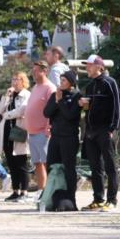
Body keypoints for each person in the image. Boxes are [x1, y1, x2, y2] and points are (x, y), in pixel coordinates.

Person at [79, 54, 120, 211]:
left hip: (105, 130)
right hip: (91, 131)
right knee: (95, 167)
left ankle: (112, 200)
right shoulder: (90, 86)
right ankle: (98, 199)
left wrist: (112, 128)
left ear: (99, 67)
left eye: (89, 65)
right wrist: (83, 105)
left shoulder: (109, 83)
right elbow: (88, 109)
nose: (87, 68)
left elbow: (117, 107)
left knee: (110, 166)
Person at [42, 69, 82, 210]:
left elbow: (70, 115)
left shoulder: (77, 96)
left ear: (71, 83)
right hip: (56, 137)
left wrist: (60, 102)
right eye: (60, 79)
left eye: (64, 80)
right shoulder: (55, 95)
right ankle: (53, 197)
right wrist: (56, 100)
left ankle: (71, 199)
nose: (61, 82)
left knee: (69, 168)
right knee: (51, 166)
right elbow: (46, 113)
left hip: (69, 137)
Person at [0, 71, 31, 202]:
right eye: (13, 79)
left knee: (21, 162)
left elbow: (22, 110)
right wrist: (6, 97)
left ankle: (25, 192)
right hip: (6, 132)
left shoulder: (26, 95)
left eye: (17, 79)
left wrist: (7, 115)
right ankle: (15, 191)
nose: (14, 81)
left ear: (23, 81)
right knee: (11, 163)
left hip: (19, 131)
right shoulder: (9, 95)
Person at [23, 60, 55, 194]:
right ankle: (41, 191)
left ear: (45, 71)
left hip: (43, 132)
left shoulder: (50, 88)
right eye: (33, 71)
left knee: (46, 163)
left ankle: (50, 192)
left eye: (37, 71)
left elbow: (52, 109)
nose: (34, 73)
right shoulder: (36, 87)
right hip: (32, 132)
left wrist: (48, 128)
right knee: (37, 163)